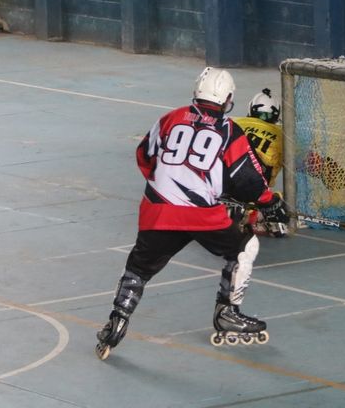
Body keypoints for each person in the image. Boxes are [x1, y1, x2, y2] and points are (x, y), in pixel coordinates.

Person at [95, 67, 286, 358]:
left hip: (157, 211)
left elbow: (144, 157)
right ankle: (227, 312)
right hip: (201, 215)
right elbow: (248, 179)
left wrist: (169, 186)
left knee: (139, 268)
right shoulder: (228, 129)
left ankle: (116, 321)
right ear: (228, 99)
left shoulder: (170, 118)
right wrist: (270, 202)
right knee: (245, 246)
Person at [233, 88, 286, 236]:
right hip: (255, 191)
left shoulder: (233, 123)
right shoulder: (283, 136)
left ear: (251, 108)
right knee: (287, 198)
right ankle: (257, 215)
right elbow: (310, 163)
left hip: (221, 183)